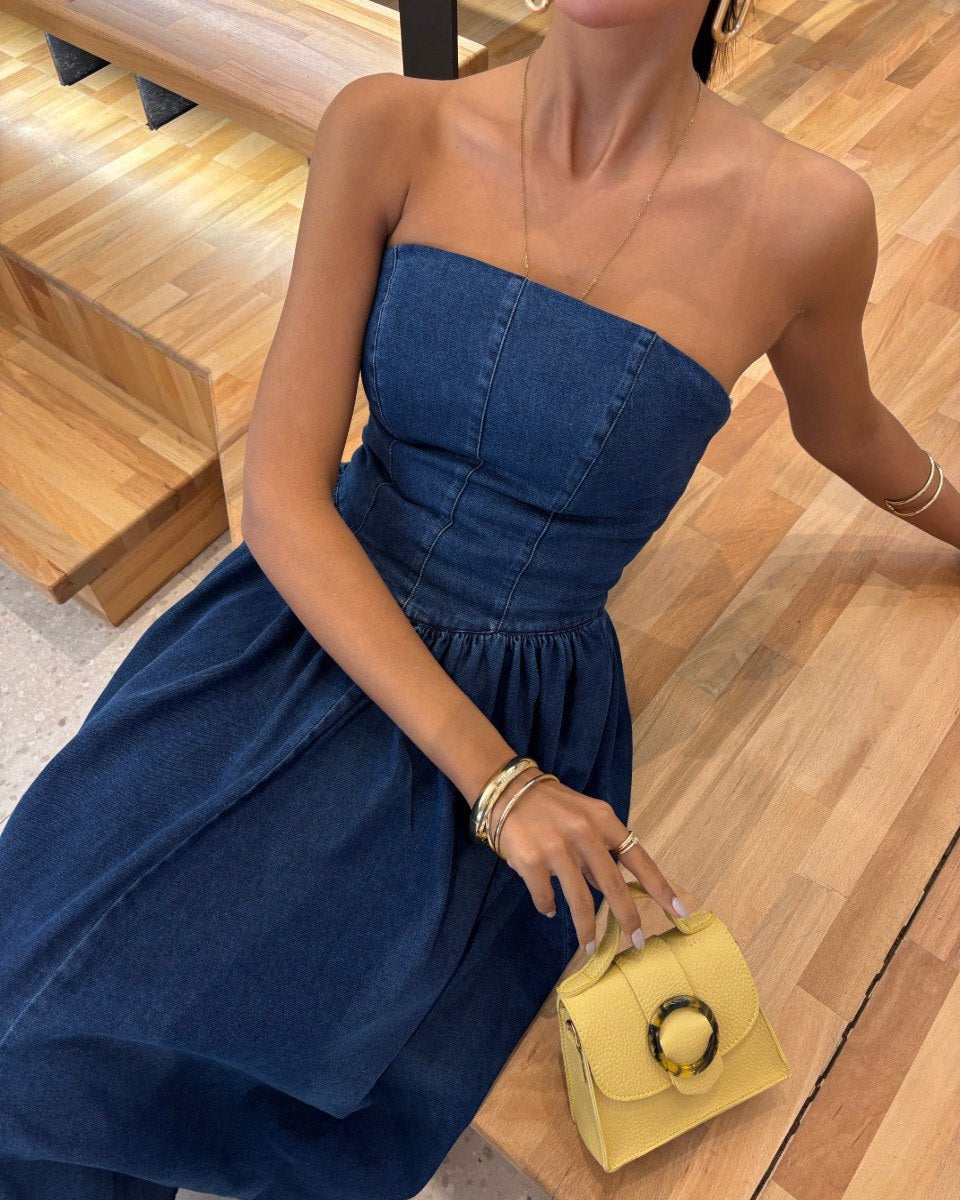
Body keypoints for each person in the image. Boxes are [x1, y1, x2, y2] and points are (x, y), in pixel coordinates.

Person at [2, 1, 957, 1197]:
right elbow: (283, 502)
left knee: (320, 1067)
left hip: (528, 688)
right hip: (295, 624)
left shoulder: (807, 216)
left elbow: (847, 426)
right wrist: (501, 786)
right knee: (40, 981)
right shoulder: (390, 125)